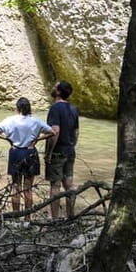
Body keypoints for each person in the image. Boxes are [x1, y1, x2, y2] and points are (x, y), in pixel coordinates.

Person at [0, 97, 55, 216]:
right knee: (28, 188)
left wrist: (8, 139)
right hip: (30, 152)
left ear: (17, 108)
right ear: (29, 108)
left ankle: (16, 216)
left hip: (15, 152)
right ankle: (27, 218)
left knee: (15, 186)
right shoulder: (36, 121)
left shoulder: (10, 120)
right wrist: (37, 139)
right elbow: (52, 132)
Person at [44, 80, 80, 220]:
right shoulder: (73, 109)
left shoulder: (55, 108)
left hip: (58, 151)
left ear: (58, 91)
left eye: (54, 86)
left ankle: (55, 219)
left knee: (55, 185)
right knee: (69, 183)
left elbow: (55, 131)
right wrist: (71, 146)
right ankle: (71, 216)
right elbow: (76, 132)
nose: (52, 88)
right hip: (70, 150)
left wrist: (49, 152)